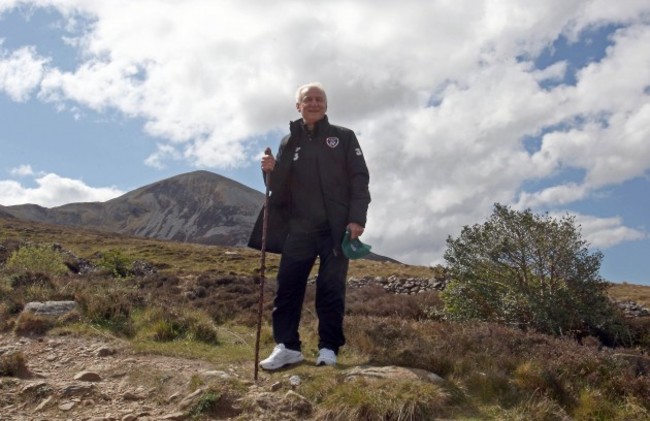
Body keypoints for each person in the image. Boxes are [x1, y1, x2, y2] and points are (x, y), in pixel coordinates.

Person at [248, 82, 371, 370]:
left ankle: (328, 348)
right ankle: (287, 347)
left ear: (325, 106)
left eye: (319, 99)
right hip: (299, 229)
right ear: (298, 106)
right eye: (308, 100)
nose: (314, 103)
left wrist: (357, 218)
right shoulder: (288, 141)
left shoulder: (344, 137)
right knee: (287, 289)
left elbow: (359, 178)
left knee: (331, 289)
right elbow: (279, 188)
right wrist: (269, 170)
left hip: (336, 228)